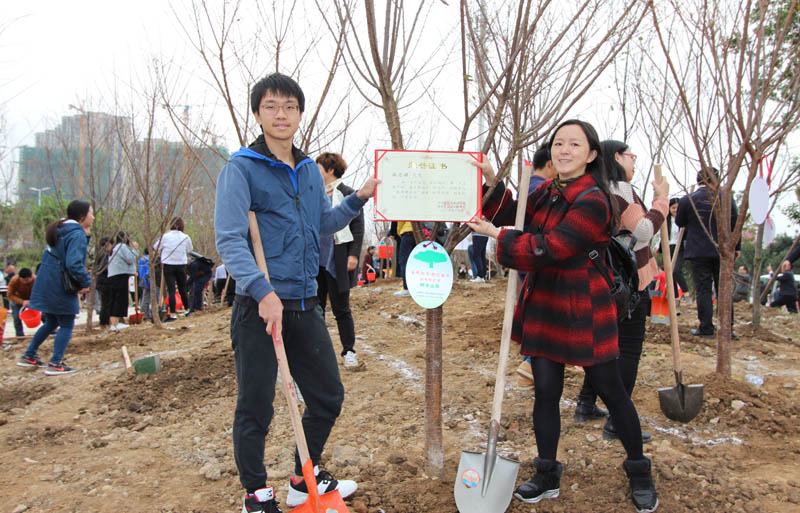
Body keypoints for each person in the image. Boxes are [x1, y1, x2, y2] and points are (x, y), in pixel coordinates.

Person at [468, 120, 658, 513]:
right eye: (558, 143)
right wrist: (491, 182)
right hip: (545, 303)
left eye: (575, 144)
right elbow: (517, 215)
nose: (564, 150)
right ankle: (547, 471)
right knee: (546, 392)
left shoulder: (594, 199)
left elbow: (551, 247)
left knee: (612, 390)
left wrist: (496, 236)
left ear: (591, 154)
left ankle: (639, 470)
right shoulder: (550, 192)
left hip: (584, 305)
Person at [214, 72, 379, 513]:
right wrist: (261, 289)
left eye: (289, 106)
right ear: (257, 114)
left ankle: (301, 478)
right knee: (256, 405)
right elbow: (230, 239)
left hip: (305, 303)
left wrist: (359, 197)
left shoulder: (308, 171)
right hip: (260, 305)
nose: (281, 114)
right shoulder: (241, 168)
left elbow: (322, 225)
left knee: (327, 395)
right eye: (271, 106)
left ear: (300, 114)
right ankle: (255, 493)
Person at [572, 140, 668, 445]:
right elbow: (642, 231)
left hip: (607, 280)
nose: (634, 161)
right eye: (631, 155)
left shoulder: (595, 188)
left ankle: (586, 404)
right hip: (630, 279)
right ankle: (617, 420)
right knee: (627, 349)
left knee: (604, 346)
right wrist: (661, 203)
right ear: (616, 156)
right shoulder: (619, 188)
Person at [17, 200, 93, 375]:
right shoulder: (76, 234)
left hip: (47, 280)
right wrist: (85, 282)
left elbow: (69, 251)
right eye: (91, 213)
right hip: (59, 285)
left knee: (51, 321)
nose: (93, 217)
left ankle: (29, 355)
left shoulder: (61, 228)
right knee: (67, 322)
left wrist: (86, 235)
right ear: (82, 217)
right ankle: (56, 363)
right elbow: (74, 263)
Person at [675, 167, 740, 339]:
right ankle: (727, 329)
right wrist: (737, 247)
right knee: (723, 289)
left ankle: (706, 328)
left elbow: (680, 221)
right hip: (723, 250)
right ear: (715, 180)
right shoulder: (726, 198)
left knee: (703, 289)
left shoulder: (688, 199)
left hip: (699, 250)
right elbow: (735, 223)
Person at [315, 152, 365, 369]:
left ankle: (349, 350)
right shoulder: (313, 194)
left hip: (337, 259)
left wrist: (353, 254)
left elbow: (358, 226)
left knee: (341, 308)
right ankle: (315, 352)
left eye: (318, 170)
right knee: (314, 309)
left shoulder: (347, 193)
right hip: (314, 261)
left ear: (330, 170)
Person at [516, 146, 558, 387]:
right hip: (538, 260)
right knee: (540, 315)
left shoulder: (528, 185)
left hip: (530, 259)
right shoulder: (540, 189)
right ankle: (530, 364)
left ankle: (531, 363)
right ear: (550, 163)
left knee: (535, 313)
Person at [155, 217, 193, 322]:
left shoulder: (165, 236)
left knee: (171, 289)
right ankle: (187, 309)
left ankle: (172, 313)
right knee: (182, 288)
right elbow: (190, 249)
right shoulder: (185, 237)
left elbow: (156, 247)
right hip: (181, 264)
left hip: (168, 264)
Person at [107, 231, 139, 331]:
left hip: (113, 275)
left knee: (114, 299)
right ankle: (116, 324)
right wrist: (134, 249)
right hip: (120, 275)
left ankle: (114, 323)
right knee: (120, 299)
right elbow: (130, 259)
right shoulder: (122, 247)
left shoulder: (115, 247)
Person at [665, 197, 690, 300]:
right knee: (669, 274)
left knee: (676, 270)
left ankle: (686, 292)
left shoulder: (684, 220)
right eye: (673, 207)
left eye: (677, 207)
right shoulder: (666, 221)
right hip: (669, 247)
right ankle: (675, 298)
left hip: (680, 247)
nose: (675, 210)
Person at [7, 268, 35, 337]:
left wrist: (33, 301)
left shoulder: (36, 280)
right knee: (17, 318)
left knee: (44, 315)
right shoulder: (14, 280)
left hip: (33, 299)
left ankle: (50, 331)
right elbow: (10, 294)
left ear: (31, 277)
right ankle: (20, 336)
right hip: (18, 299)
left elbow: (41, 292)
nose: (25, 282)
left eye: (27, 280)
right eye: (23, 280)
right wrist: (22, 301)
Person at [392, 221, 415, 296]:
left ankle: (407, 288)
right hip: (421, 233)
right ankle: (416, 287)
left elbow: (400, 221)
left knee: (404, 261)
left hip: (407, 232)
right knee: (416, 261)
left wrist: (399, 232)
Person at [95, 237, 114, 326]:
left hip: (102, 281)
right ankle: (105, 321)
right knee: (106, 302)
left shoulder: (100, 253)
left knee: (105, 302)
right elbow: (104, 268)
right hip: (105, 281)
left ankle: (105, 320)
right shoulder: (104, 254)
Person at [138, 249, 152, 321]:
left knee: (144, 296)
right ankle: (145, 314)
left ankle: (145, 312)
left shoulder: (141, 259)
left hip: (141, 278)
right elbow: (148, 272)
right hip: (146, 279)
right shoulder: (149, 260)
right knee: (146, 297)